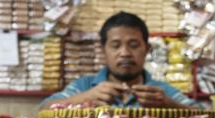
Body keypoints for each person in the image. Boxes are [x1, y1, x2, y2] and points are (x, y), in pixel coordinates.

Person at [40, 12, 201, 109]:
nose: (125, 53)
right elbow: (44, 109)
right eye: (115, 45)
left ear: (147, 50)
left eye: (134, 45)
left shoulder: (160, 92)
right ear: (103, 51)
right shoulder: (84, 86)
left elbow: (206, 115)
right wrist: (85, 98)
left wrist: (169, 104)